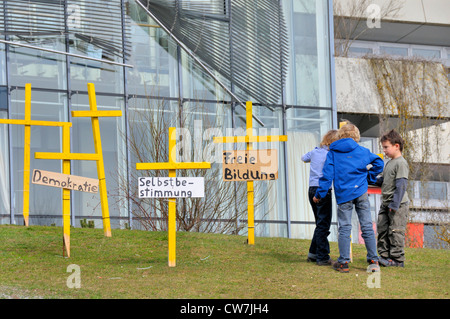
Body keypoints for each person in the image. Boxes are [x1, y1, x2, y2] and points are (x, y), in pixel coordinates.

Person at [313, 123, 384, 273]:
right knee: (366, 226)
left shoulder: (333, 152)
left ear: (340, 135)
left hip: (343, 194)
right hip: (361, 192)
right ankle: (373, 260)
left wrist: (319, 194)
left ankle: (344, 262)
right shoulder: (363, 151)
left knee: (345, 227)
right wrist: (369, 177)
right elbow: (379, 163)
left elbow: (327, 176)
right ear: (356, 136)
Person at [302, 129, 339, 266]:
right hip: (323, 190)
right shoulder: (331, 155)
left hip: (311, 189)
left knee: (319, 223)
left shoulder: (315, 152)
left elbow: (303, 158)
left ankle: (313, 253)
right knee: (323, 225)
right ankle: (323, 257)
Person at [376, 129, 409, 267]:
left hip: (397, 205)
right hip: (385, 203)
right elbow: (384, 180)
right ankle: (384, 256)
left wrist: (394, 205)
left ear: (396, 146)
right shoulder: (389, 162)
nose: (384, 151)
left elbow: (401, 186)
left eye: (386, 147)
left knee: (395, 231)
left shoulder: (401, 163)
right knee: (382, 228)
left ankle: (397, 259)